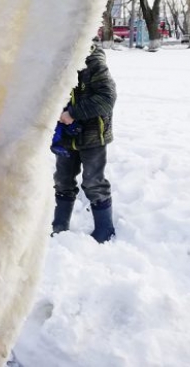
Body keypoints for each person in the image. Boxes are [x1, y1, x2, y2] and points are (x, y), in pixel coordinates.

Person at [51, 43, 117, 243]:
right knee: (63, 180)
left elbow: (107, 97)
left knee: (93, 182)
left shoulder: (93, 60)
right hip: (66, 136)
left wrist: (73, 113)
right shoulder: (55, 57)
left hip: (93, 136)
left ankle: (105, 230)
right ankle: (59, 225)